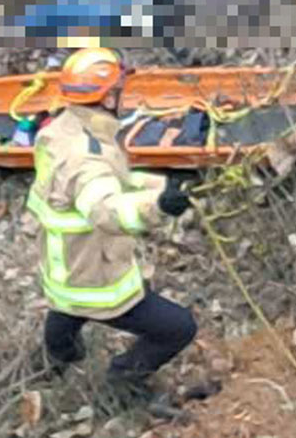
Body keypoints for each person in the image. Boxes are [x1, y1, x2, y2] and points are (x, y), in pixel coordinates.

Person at [25, 47, 199, 408]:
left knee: (67, 311)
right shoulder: (86, 158)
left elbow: (114, 179)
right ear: (106, 97)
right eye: (119, 88)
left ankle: (58, 360)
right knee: (179, 328)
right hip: (94, 280)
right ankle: (124, 378)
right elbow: (106, 208)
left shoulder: (61, 130)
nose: (125, 94)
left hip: (61, 266)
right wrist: (159, 207)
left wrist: (159, 187)